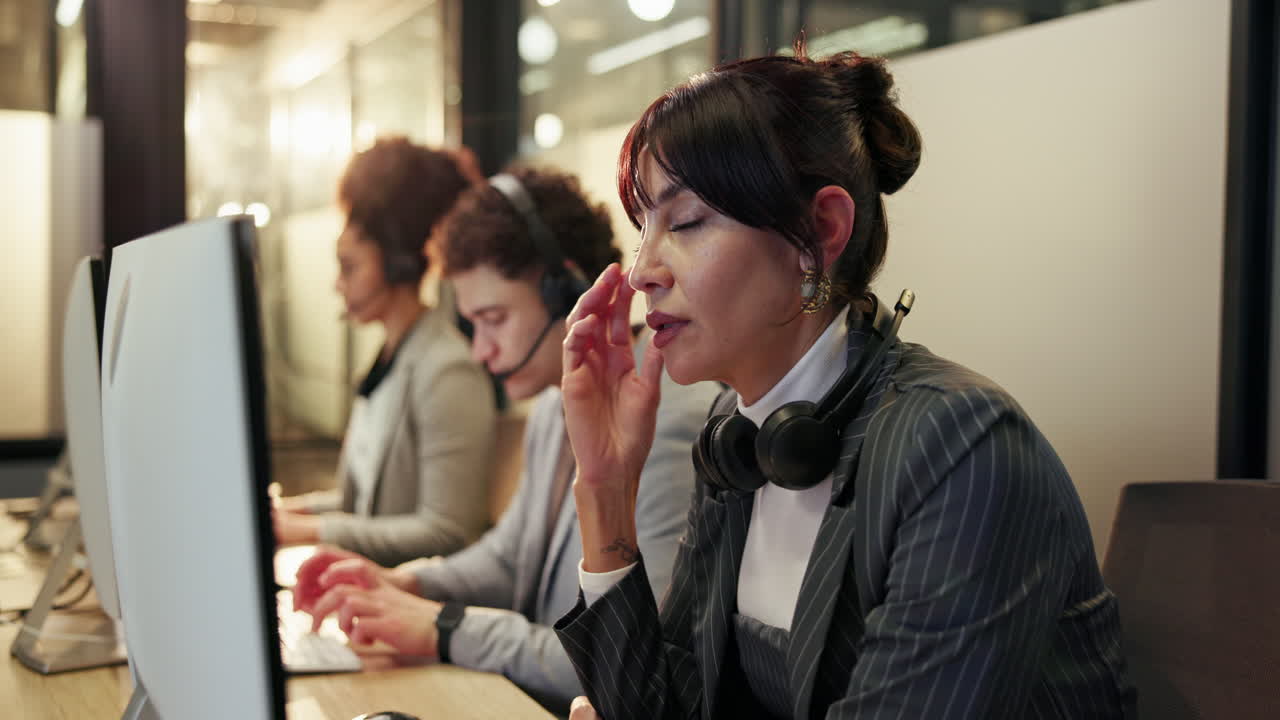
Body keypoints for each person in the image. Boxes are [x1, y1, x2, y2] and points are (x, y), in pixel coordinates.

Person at [554, 51, 1134, 719]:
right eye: (642, 231)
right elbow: (661, 707)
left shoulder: (962, 450)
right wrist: (605, 485)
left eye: (683, 223)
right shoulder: (741, 440)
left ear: (818, 233)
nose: (641, 273)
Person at [291, 167, 720, 713]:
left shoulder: (665, 419)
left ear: (566, 292)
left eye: (494, 319)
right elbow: (510, 555)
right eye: (473, 325)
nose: (481, 352)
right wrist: (404, 585)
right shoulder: (549, 407)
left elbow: (620, 661)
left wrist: (445, 628)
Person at [274, 137, 496, 567]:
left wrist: (308, 529)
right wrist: (292, 514)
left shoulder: (447, 369)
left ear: (396, 263)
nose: (338, 284)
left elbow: (447, 530)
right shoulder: (390, 358)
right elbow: (365, 505)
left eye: (349, 266)